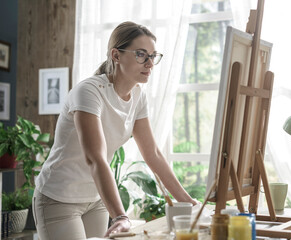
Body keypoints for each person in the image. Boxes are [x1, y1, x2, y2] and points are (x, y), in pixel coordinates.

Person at [33, 21, 198, 240]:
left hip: (96, 198)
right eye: (141, 54)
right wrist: (120, 216)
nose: (149, 63)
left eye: (152, 56)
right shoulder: (89, 91)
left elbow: (153, 154)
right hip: (59, 197)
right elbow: (96, 158)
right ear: (116, 55)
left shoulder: (138, 96)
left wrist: (188, 202)